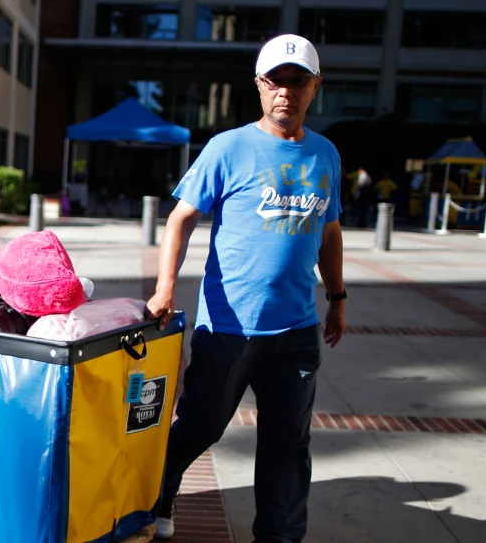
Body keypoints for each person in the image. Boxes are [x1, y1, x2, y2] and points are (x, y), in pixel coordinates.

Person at [146, 34, 347, 542]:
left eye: (298, 81)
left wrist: (338, 298)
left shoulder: (326, 155)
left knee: (288, 444)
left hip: (297, 329)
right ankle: (158, 493)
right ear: (260, 85)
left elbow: (329, 230)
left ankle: (278, 538)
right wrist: (165, 289)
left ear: (315, 87)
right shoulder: (228, 147)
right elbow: (180, 219)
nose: (286, 91)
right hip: (231, 325)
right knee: (200, 427)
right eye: (276, 80)